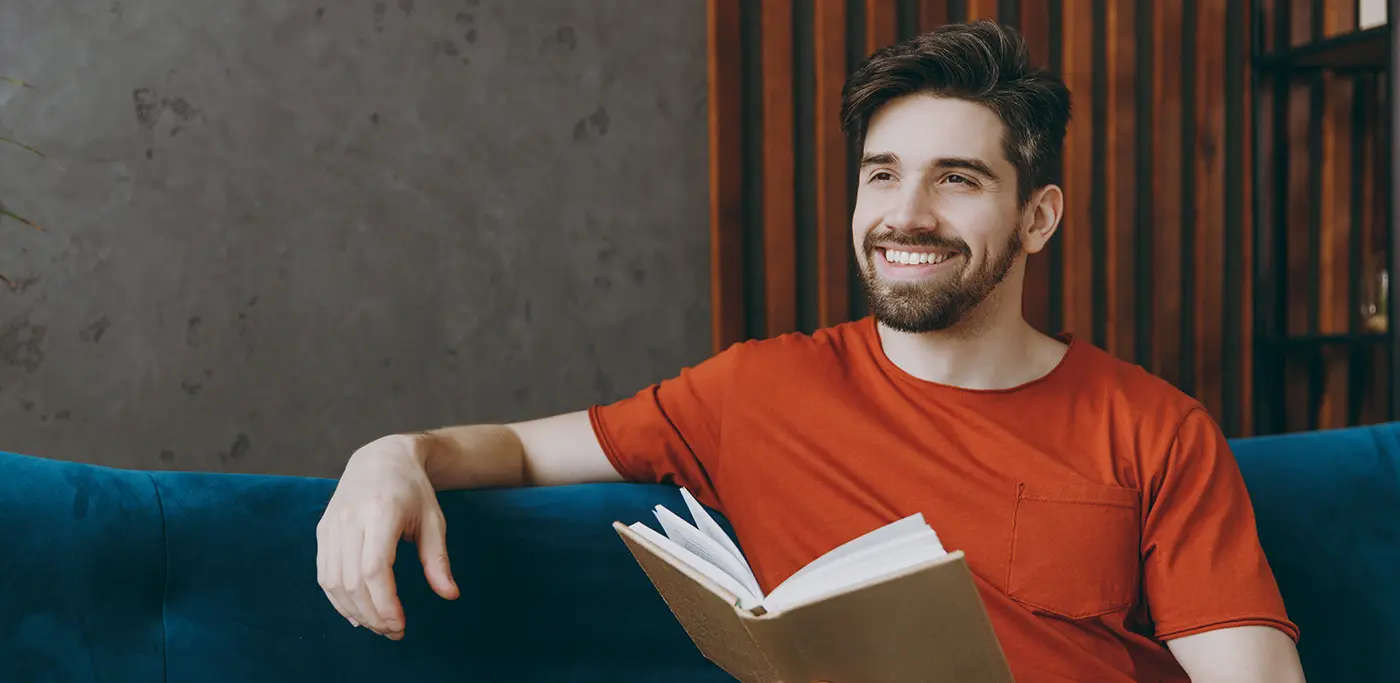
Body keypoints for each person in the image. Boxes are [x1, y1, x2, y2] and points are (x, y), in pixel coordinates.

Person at [316, 20, 1307, 683]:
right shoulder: (755, 388)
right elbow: (522, 450)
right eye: (881, 175)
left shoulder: (1151, 426)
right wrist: (390, 456)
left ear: (1037, 217)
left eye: (956, 178)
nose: (904, 215)